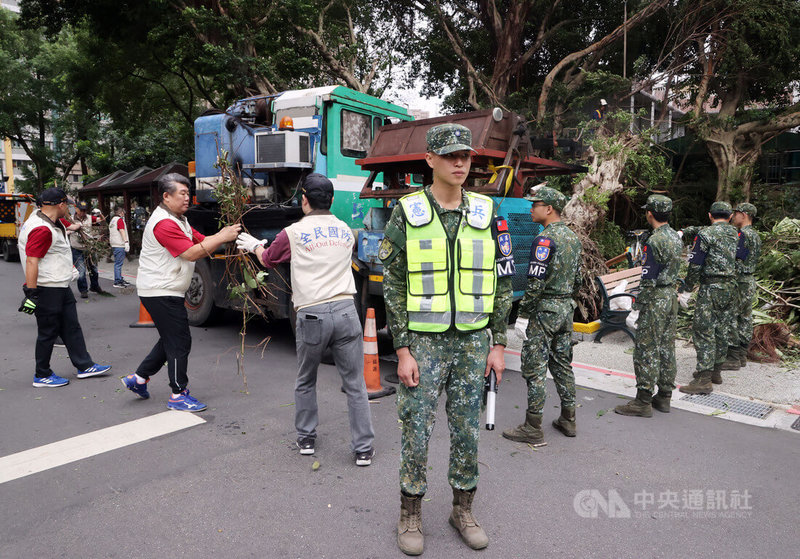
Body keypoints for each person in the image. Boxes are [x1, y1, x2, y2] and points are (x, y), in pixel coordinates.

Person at [379, 123, 514, 555]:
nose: (460, 163)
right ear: (430, 160)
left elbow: (503, 282)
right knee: (416, 430)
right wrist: (401, 349)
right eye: (451, 156)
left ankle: (463, 509)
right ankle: (411, 513)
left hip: (475, 343)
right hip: (424, 342)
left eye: (466, 156)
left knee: (466, 432)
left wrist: (498, 343)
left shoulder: (488, 211)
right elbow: (394, 283)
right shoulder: (407, 211)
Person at [235, 173, 376, 467]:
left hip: (313, 314)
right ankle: (363, 449)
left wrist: (253, 245)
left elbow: (269, 259)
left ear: (304, 201)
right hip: (347, 311)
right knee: (355, 384)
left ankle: (307, 439)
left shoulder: (293, 232)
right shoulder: (345, 231)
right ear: (333, 200)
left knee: (305, 379)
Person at [121, 173, 240, 411]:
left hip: (166, 288)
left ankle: (139, 378)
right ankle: (178, 394)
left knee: (170, 338)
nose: (188, 198)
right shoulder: (164, 223)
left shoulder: (179, 220)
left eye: (188, 193)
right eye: (182, 194)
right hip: (160, 290)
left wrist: (230, 238)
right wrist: (222, 236)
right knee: (179, 340)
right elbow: (191, 253)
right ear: (166, 196)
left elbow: (203, 241)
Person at [502, 186, 582, 446]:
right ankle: (568, 419)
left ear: (549, 209)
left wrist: (523, 315)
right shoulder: (573, 238)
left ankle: (533, 426)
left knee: (535, 368)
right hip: (565, 309)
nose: (530, 208)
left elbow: (535, 283)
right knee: (562, 364)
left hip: (544, 312)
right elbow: (578, 279)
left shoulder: (544, 240)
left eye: (535, 204)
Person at [17, 187, 112, 387]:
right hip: (47, 288)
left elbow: (62, 230)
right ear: (60, 205)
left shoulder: (46, 219)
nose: (68, 209)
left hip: (59, 285)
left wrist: (75, 228)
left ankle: (84, 366)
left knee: (71, 327)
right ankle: (41, 374)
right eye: (66, 205)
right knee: (48, 332)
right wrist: (31, 293)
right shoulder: (41, 229)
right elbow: (32, 261)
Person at [614, 195, 682, 417]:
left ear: (649, 213)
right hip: (670, 297)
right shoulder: (675, 237)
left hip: (655, 300)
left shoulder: (654, 241)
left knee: (646, 349)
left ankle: (642, 400)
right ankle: (664, 397)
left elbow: (649, 277)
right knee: (666, 347)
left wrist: (637, 307)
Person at [678, 201, 738, 394]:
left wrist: (687, 288)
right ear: (730, 217)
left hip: (711, 287)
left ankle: (704, 378)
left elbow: (695, 264)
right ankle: (716, 371)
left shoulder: (705, 234)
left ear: (710, 215)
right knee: (722, 327)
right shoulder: (735, 234)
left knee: (703, 330)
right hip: (730, 287)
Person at [724, 203, 762, 369]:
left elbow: (736, 258)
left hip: (739, 281)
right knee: (745, 317)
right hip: (749, 280)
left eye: (736, 213)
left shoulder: (743, 235)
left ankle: (733, 357)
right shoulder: (755, 235)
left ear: (744, 215)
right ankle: (741, 354)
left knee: (733, 316)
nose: (733, 217)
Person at [68, 201, 106, 298]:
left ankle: (95, 286)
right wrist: (71, 230)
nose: (83, 212)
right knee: (81, 271)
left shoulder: (90, 218)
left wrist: (100, 214)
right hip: (77, 248)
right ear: (76, 209)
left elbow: (102, 221)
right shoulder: (70, 219)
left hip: (90, 248)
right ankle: (83, 290)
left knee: (94, 269)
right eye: (81, 210)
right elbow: (65, 230)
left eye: (85, 210)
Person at [108, 206, 131, 288]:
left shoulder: (112, 221)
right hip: (119, 244)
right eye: (123, 212)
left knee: (118, 263)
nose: (124, 213)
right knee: (118, 264)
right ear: (121, 212)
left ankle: (119, 279)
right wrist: (126, 242)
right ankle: (117, 281)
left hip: (114, 244)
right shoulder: (119, 220)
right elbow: (122, 231)